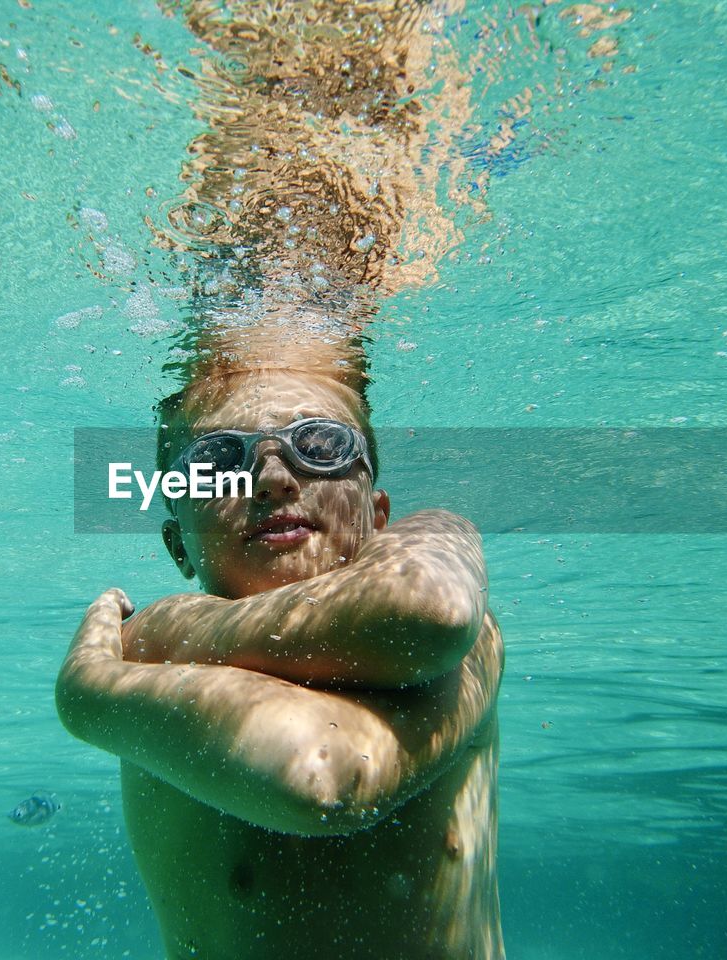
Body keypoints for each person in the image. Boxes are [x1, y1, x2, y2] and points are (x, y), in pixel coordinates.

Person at [55, 357, 504, 959]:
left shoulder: (140, 657)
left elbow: (427, 608)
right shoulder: (142, 655)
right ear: (177, 543)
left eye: (320, 444)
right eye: (215, 462)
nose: (270, 478)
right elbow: (312, 772)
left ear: (377, 516)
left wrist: (117, 673)